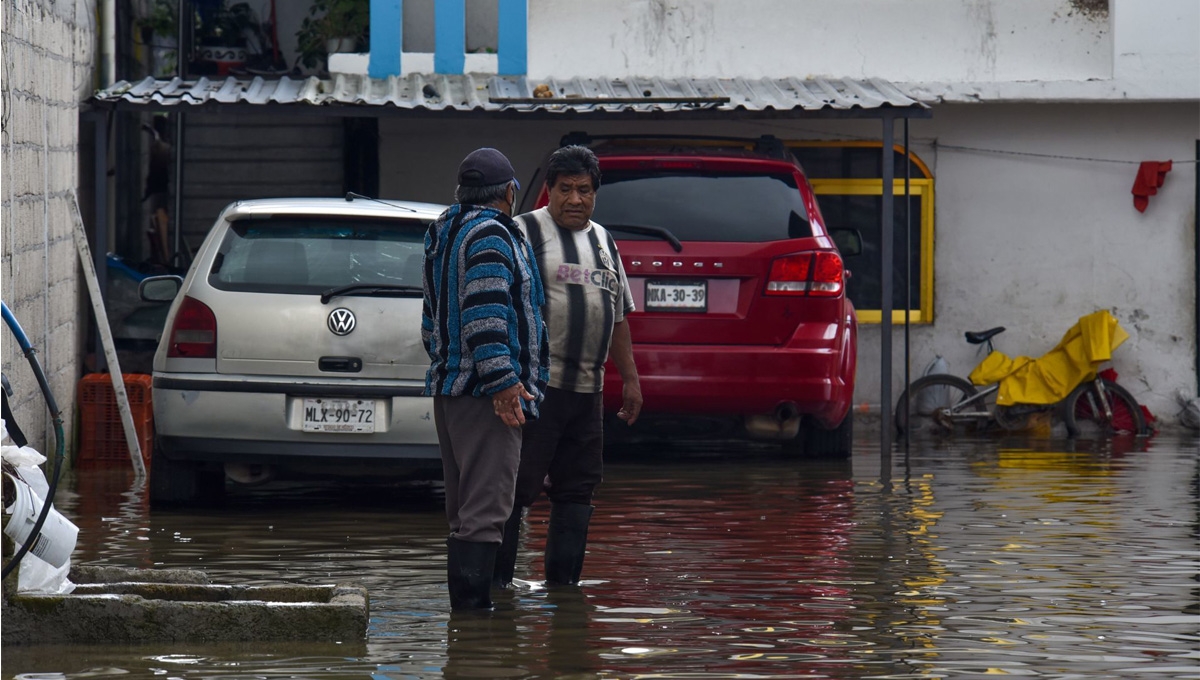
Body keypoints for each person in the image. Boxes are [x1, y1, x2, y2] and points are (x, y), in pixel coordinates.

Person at [495, 145, 642, 588]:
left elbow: (617, 316)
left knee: (577, 491)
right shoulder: (522, 232)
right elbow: (496, 307)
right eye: (565, 190)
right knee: (514, 492)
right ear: (548, 191)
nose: (575, 199)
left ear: (595, 194)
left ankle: (564, 594)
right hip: (535, 390)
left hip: (587, 394)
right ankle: (496, 592)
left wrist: (631, 380)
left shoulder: (604, 240)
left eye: (584, 190)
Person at [422, 147, 550, 610]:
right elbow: (485, 312)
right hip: (484, 396)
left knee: (464, 512)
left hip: (451, 390)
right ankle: (477, 635)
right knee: (486, 511)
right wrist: (502, 384)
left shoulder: (443, 232)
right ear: (510, 192)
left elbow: (429, 320)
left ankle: (466, 638)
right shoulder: (492, 235)